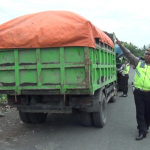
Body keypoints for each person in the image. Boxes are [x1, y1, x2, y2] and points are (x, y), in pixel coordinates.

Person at [116, 38, 150, 140]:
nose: (145, 55)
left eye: (148, 54)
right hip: (138, 92)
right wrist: (121, 45)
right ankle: (142, 131)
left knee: (148, 112)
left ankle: (146, 126)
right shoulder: (139, 62)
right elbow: (128, 53)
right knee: (140, 112)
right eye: (145, 53)